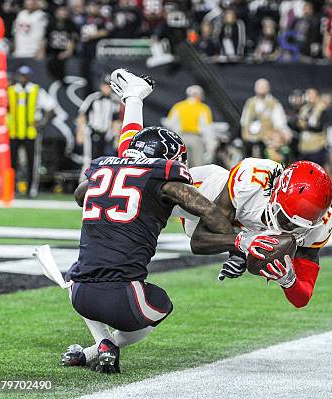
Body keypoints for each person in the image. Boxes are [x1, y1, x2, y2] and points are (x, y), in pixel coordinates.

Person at [62, 69, 234, 373]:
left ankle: (98, 346)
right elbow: (209, 212)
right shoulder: (166, 179)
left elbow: (80, 194)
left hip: (78, 293)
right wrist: (236, 239)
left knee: (83, 272)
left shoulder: (101, 169)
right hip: (125, 299)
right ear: (169, 160)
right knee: (161, 303)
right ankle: (107, 345)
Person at [180, 156, 332, 308]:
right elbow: (198, 240)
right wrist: (240, 243)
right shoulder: (251, 184)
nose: (292, 230)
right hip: (199, 190)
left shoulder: (319, 225)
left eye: (300, 226)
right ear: (275, 195)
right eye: (287, 220)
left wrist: (289, 281)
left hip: (234, 224)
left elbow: (302, 299)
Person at [7, 66, 56, 198]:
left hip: (31, 132)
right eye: (21, 75)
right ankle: (10, 188)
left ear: (29, 77)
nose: (22, 78)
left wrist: (42, 122)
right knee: (11, 162)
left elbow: (51, 107)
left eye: (25, 75)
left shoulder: (36, 90)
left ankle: (31, 189)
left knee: (32, 161)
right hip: (14, 131)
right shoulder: (11, 90)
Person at [76, 77, 121, 172]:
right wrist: (79, 133)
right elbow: (82, 115)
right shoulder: (93, 97)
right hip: (91, 132)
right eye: (105, 86)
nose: (107, 88)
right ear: (101, 86)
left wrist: (117, 137)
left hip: (106, 134)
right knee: (88, 159)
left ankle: (97, 182)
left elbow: (116, 120)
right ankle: (84, 183)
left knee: (103, 160)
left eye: (109, 86)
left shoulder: (115, 100)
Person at [240, 79, 290, 159]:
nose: (261, 89)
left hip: (267, 139)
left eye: (263, 87)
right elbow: (245, 120)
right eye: (259, 87)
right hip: (251, 138)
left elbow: (280, 123)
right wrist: (245, 132)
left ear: (268, 88)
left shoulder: (273, 103)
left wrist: (280, 134)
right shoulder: (250, 102)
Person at [166, 85, 213, 167]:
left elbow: (170, 124)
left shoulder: (178, 106)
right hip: (196, 138)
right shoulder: (203, 108)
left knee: (181, 164)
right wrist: (210, 145)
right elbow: (206, 128)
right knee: (198, 165)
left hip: (180, 137)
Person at [45, 5, 78, 83]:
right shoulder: (51, 24)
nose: (63, 13)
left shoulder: (70, 24)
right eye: (61, 11)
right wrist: (41, 51)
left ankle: (62, 81)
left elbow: (73, 39)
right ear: (56, 12)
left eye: (64, 11)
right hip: (53, 51)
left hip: (65, 51)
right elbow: (45, 38)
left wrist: (68, 52)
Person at [297, 88, 328, 166]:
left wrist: (306, 126)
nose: (309, 97)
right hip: (304, 146)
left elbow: (320, 127)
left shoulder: (322, 108)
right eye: (308, 95)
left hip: (316, 146)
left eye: (311, 95)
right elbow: (299, 123)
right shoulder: (304, 108)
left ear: (317, 96)